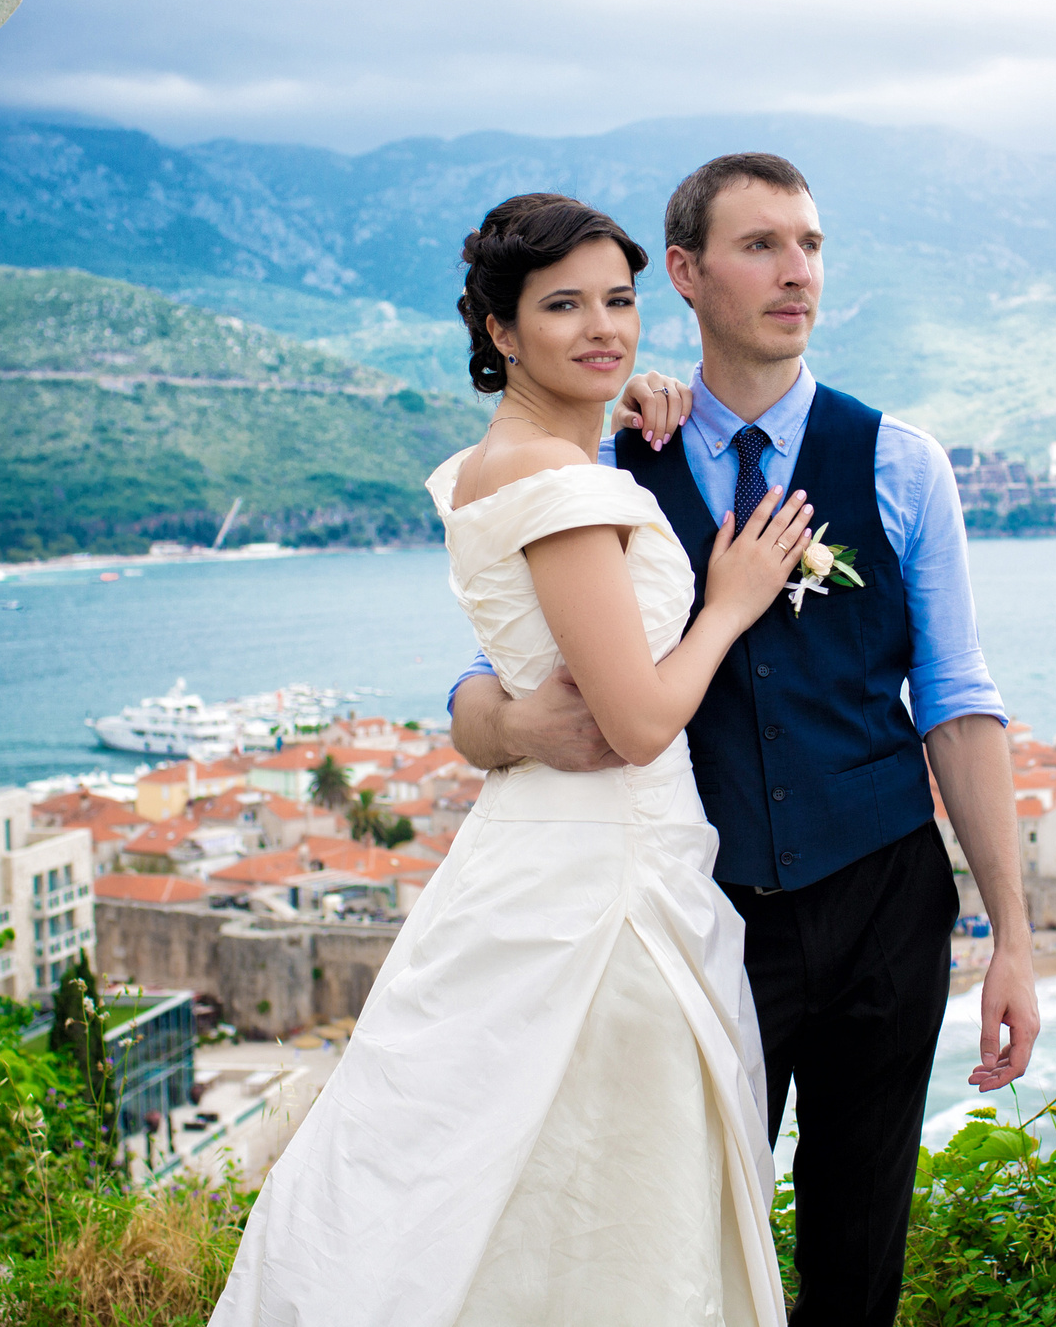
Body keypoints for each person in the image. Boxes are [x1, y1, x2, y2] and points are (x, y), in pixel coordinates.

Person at [453, 152, 1039, 1327]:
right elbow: (489, 677)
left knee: (860, 1237)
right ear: (684, 271)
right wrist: (513, 724)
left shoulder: (901, 462)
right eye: (762, 245)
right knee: (678, 1235)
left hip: (883, 896)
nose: (796, 273)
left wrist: (1012, 937)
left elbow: (958, 700)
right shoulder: (612, 462)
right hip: (702, 912)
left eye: (810, 245)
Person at [213, 194, 816, 1327]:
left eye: (621, 301)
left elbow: (534, 667)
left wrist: (620, 413)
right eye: (563, 306)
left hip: (551, 854)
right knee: (605, 1189)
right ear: (500, 330)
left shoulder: (518, 458)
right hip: (603, 883)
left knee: (484, 1169)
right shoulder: (557, 484)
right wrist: (730, 606)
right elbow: (636, 723)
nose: (604, 327)